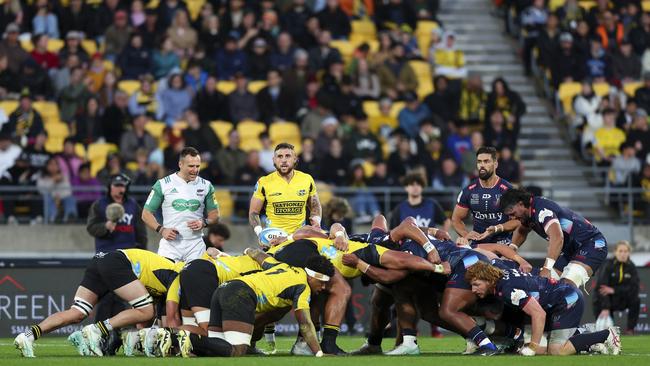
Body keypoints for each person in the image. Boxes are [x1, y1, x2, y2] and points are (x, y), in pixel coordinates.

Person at [14, 249, 184, 358]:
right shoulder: (179, 276)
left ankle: (27, 336)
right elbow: (170, 316)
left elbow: (141, 322)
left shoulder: (167, 277)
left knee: (77, 312)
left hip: (102, 259)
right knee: (147, 311)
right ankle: (95, 330)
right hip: (118, 262)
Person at [175, 255, 333, 358]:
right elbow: (305, 324)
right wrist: (319, 353)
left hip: (223, 289)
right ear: (313, 276)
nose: (324, 287)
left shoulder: (283, 266)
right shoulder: (303, 286)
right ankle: (187, 337)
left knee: (217, 350)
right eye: (323, 282)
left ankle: (174, 340)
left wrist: (246, 249)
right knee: (237, 352)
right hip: (240, 294)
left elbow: (257, 253)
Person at [466, 261, 621, 356]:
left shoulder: (507, 289)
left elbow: (538, 314)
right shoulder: (498, 270)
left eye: (476, 284)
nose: (473, 290)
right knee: (542, 350)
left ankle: (607, 334)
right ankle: (586, 334)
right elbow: (493, 253)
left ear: (488, 279)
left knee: (557, 351)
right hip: (556, 299)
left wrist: (532, 347)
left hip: (566, 300)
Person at [499, 188, 608, 288]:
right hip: (570, 250)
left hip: (591, 244)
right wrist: (512, 248)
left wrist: (546, 269)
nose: (512, 218)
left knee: (566, 286)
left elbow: (557, 237)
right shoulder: (527, 212)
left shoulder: (542, 211)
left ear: (521, 204)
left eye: (513, 214)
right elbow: (522, 230)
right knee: (544, 286)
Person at [142, 147, 220, 262]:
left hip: (196, 245)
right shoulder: (163, 184)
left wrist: (204, 222)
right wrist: (162, 230)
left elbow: (215, 215)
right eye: (191, 166)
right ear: (180, 164)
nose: (195, 170)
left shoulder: (206, 185)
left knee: (195, 279)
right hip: (170, 246)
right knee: (165, 279)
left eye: (197, 166)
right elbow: (146, 214)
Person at [249, 142, 322, 239]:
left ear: (295, 159)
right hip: (274, 238)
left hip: (299, 237)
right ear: (274, 160)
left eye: (288, 156)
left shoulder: (307, 179)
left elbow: (315, 205)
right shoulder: (264, 182)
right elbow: (253, 212)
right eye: (279, 156)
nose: (283, 160)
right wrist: (260, 234)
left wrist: (316, 222)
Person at [452, 146, 515, 247]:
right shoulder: (469, 190)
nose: (482, 165)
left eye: (486, 161)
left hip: (503, 245)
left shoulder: (507, 190)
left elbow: (517, 221)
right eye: (479, 162)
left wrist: (497, 228)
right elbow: (456, 219)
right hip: (479, 246)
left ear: (495, 164)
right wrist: (466, 234)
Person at [593, 240, 640, 335]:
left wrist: (614, 290)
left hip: (623, 298)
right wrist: (605, 307)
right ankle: (607, 333)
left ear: (629, 253)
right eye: (620, 251)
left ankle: (630, 330)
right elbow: (602, 287)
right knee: (598, 300)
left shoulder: (632, 267)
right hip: (608, 300)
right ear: (615, 252)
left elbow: (634, 288)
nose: (623, 254)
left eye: (625, 251)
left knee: (636, 300)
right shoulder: (607, 265)